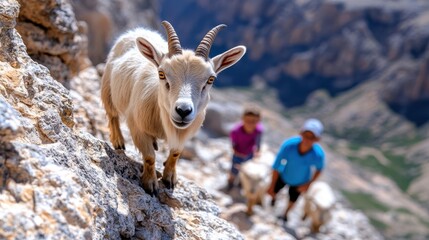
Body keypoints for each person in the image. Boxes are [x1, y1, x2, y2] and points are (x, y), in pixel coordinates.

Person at [267, 118, 325, 222]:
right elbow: (276, 166)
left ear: (317, 139)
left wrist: (308, 184)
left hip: (300, 182)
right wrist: (271, 186)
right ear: (301, 133)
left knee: (293, 199)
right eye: (306, 135)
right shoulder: (288, 146)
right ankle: (273, 199)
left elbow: (319, 169)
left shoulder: (318, 155)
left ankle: (285, 214)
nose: (307, 139)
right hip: (283, 175)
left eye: (312, 137)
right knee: (274, 191)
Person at [227, 105, 263, 190]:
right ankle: (231, 182)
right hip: (238, 154)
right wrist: (235, 151)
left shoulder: (258, 130)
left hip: (249, 154)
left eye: (253, 121)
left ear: (258, 121)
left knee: (245, 171)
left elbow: (258, 142)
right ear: (243, 119)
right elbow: (233, 144)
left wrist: (258, 150)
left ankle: (241, 183)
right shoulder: (236, 131)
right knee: (234, 170)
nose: (250, 123)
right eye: (248, 120)